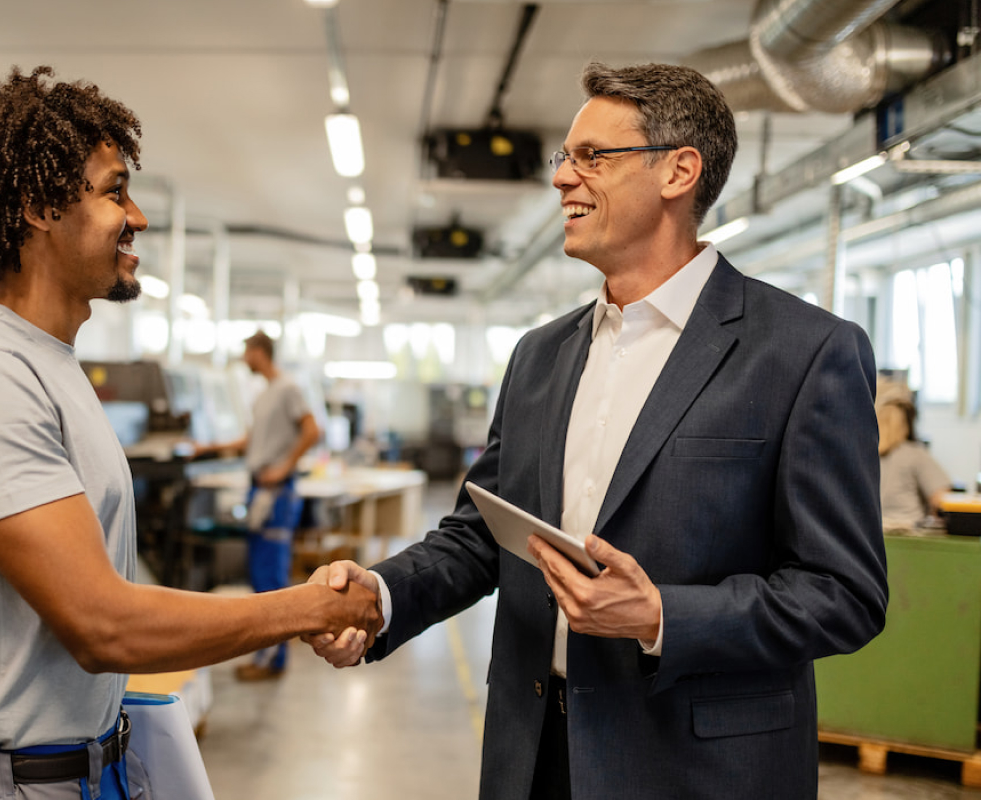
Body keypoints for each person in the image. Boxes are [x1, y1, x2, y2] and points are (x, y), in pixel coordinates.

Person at [305, 62, 887, 800]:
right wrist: (379, 596)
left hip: (695, 767)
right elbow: (482, 533)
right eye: (564, 157)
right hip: (536, 752)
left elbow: (844, 593)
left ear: (679, 171)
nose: (562, 179)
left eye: (593, 157)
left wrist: (661, 617)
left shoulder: (804, 353)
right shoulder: (540, 356)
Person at [0, 66, 380, 800]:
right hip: (4, 784)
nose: (139, 218)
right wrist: (307, 606)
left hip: (84, 767)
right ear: (37, 208)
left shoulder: (53, 365)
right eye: (114, 191)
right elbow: (101, 625)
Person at [194, 330, 321, 681]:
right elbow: (252, 440)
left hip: (275, 492)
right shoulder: (265, 395)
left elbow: (312, 431)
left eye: (246, 352)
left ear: (259, 352)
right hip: (258, 490)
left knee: (270, 578)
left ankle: (273, 661)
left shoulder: (287, 389)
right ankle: (266, 657)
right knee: (259, 574)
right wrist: (207, 449)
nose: (244, 360)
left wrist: (283, 467)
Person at [876, 379, 951, 529]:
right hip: (909, 536)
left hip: (872, 535)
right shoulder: (915, 454)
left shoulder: (861, 457)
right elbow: (941, 500)